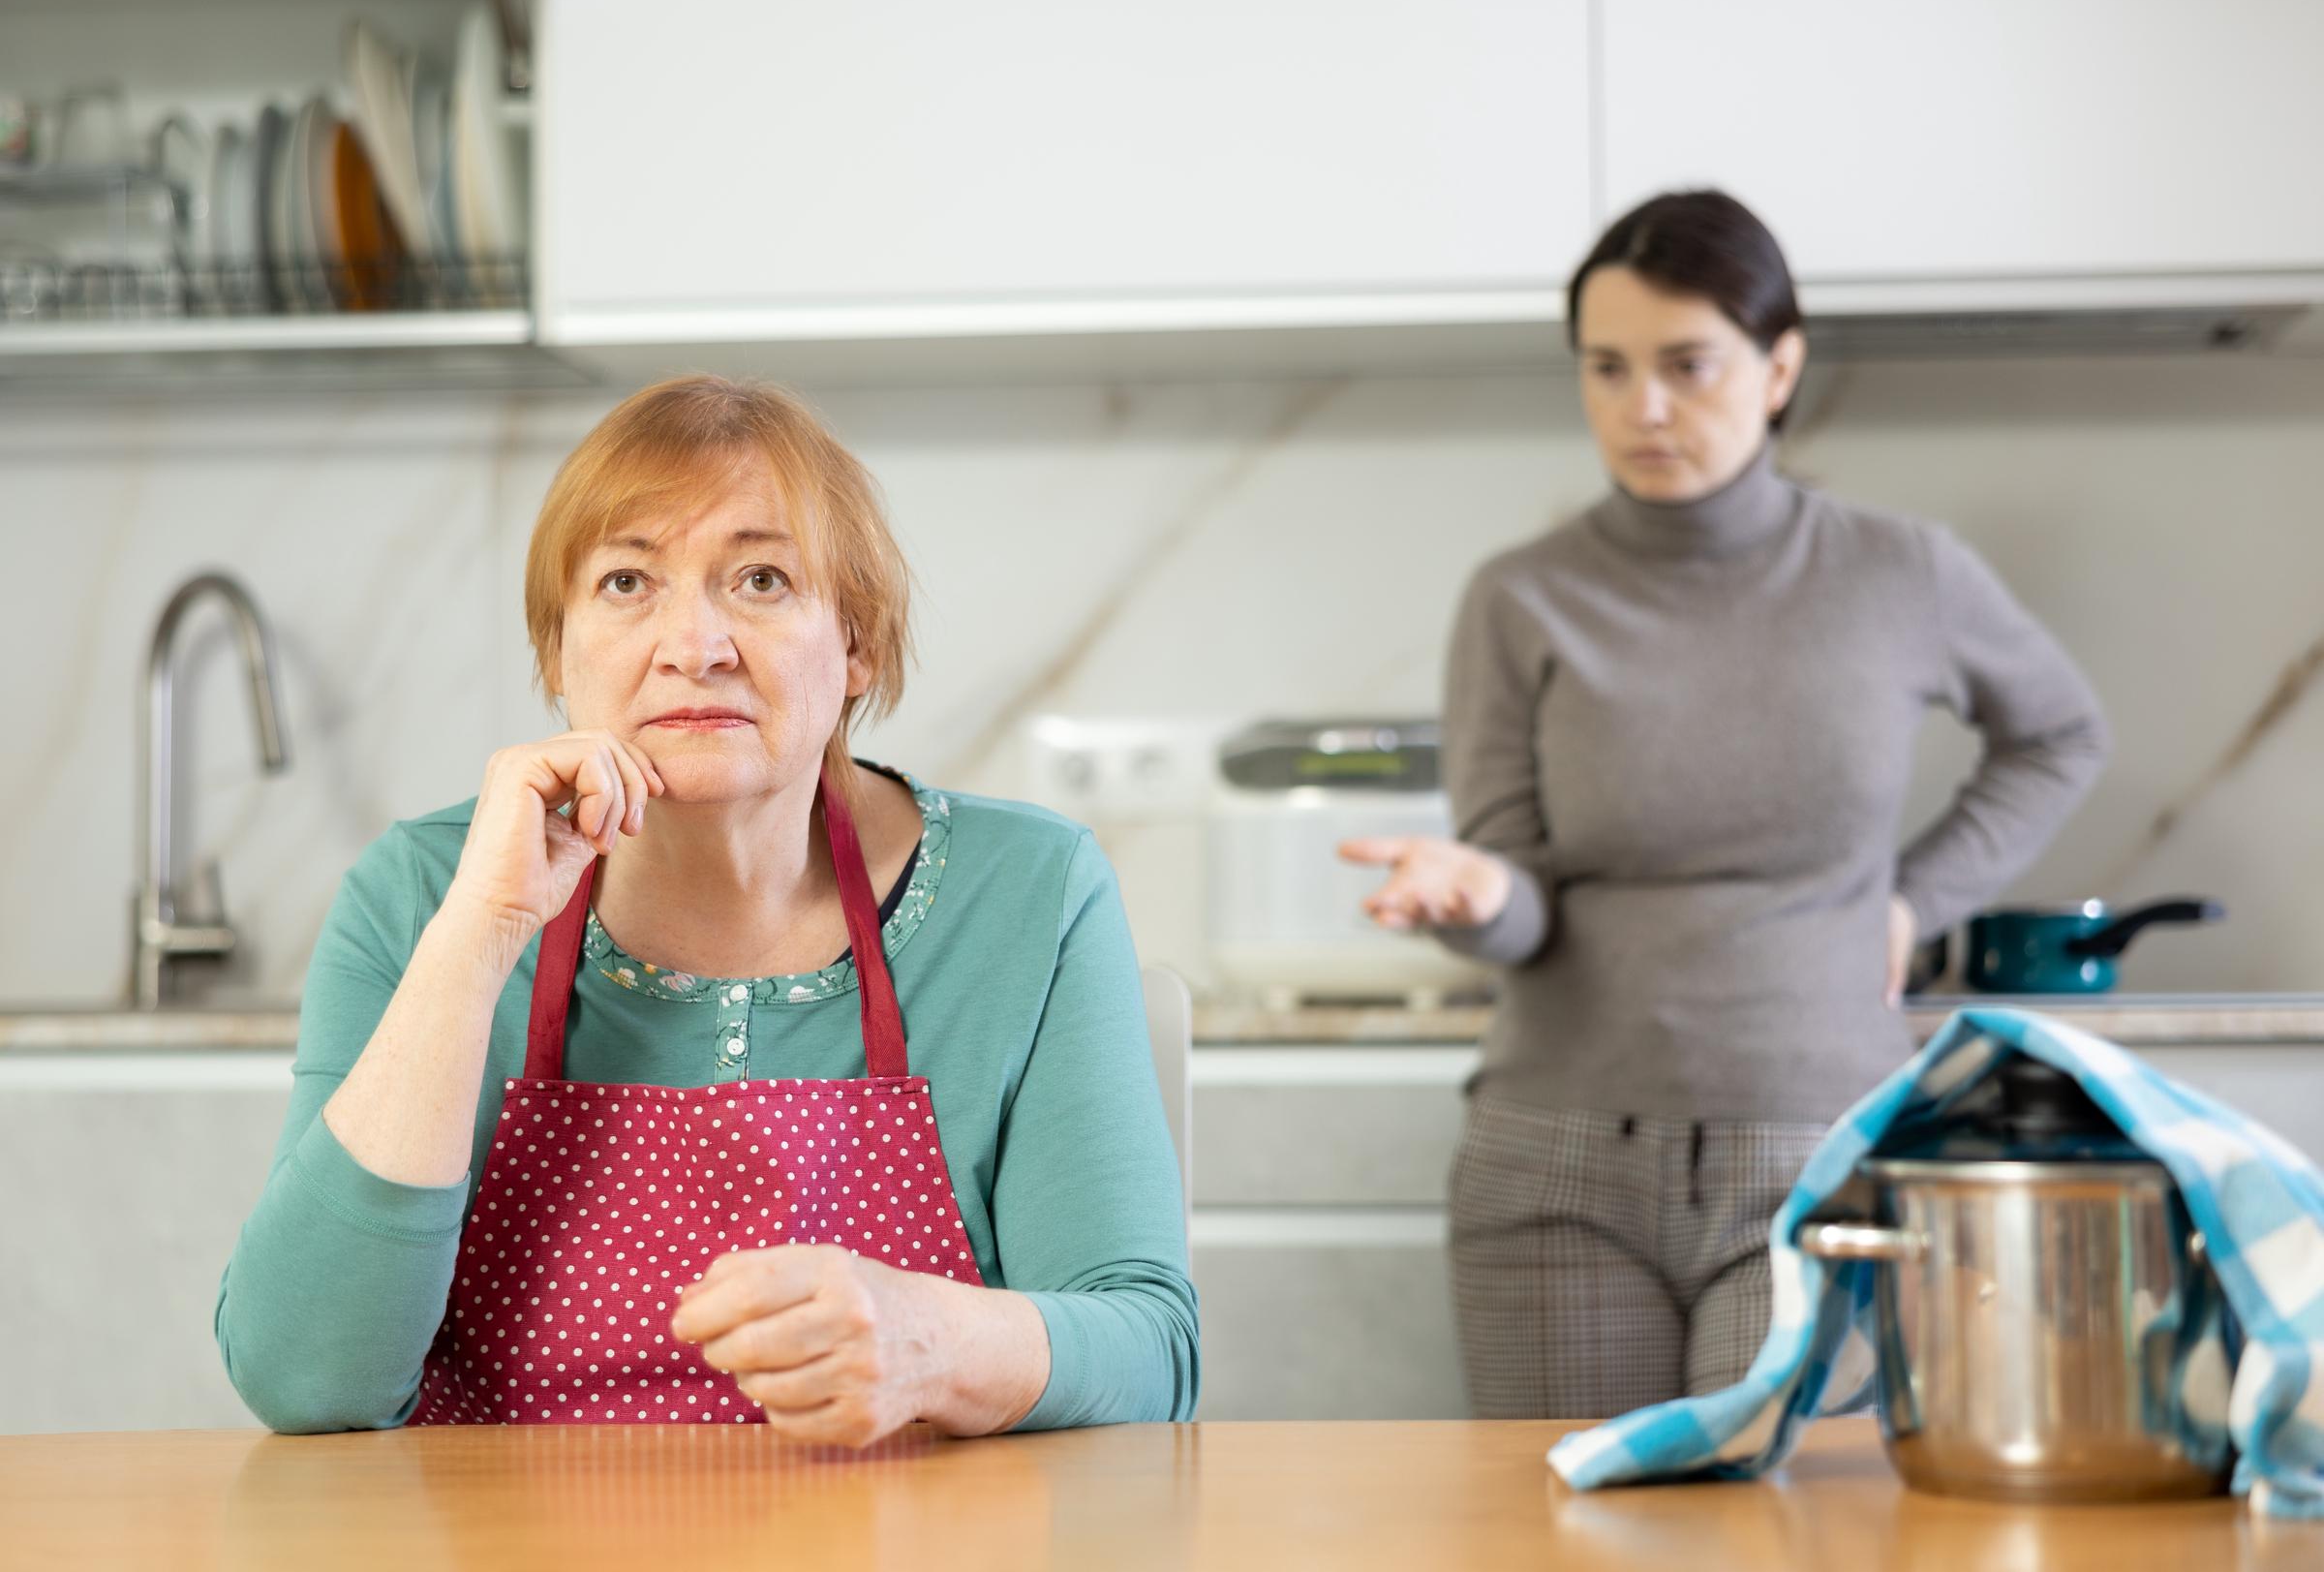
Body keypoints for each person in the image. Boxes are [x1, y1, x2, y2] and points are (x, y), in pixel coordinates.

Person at [217, 375, 1197, 1440]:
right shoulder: (417, 895)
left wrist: (937, 1343)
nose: (697, 643)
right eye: (628, 581)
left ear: (857, 642)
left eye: (763, 579)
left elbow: (1149, 1349)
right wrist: (482, 929)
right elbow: (305, 1382)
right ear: (558, 651)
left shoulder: (1030, 893)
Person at [1341, 191, 2108, 1418]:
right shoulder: (1521, 597)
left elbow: (2061, 734)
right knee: (1565, 1539)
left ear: (1779, 366)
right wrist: (1477, 893)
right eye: (1607, 368)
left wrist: (1917, 900)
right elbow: (1523, 902)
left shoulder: (1899, 571)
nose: (1644, 407)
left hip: (1818, 1149)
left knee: (1789, 1534)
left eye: (1687, 365)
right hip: (1554, 1164)